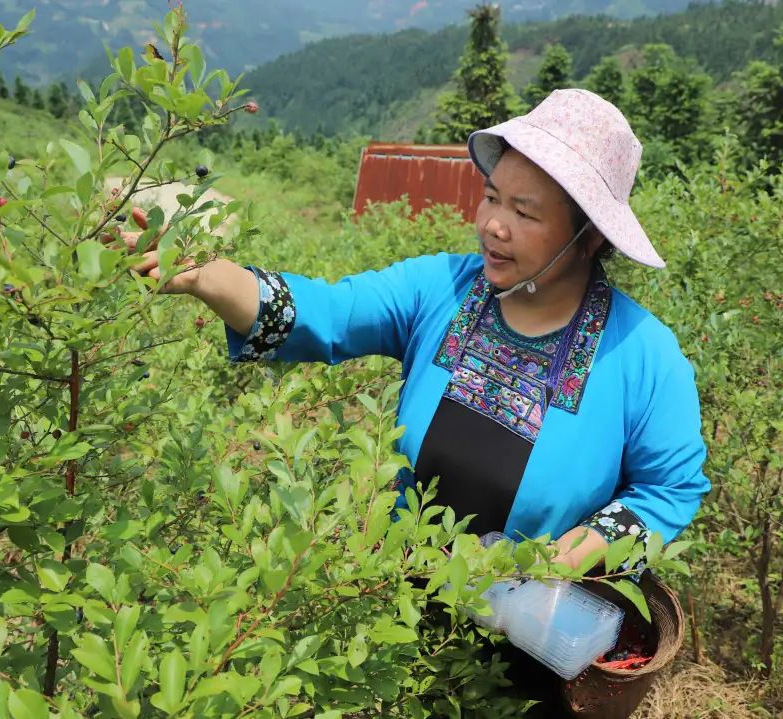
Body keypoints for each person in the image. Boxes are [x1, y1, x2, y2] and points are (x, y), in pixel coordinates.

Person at [114, 89, 709, 716]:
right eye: (491, 198)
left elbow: (670, 491)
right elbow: (324, 312)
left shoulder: (642, 354)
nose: (493, 225)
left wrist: (575, 552)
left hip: (542, 645)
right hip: (399, 608)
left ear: (588, 235)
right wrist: (205, 274)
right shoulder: (442, 291)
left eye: (525, 213)